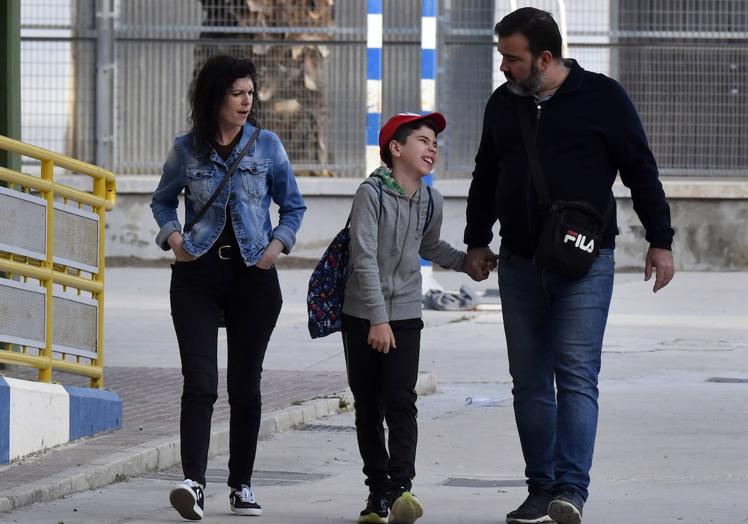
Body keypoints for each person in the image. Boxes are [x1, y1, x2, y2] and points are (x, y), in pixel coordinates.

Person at [463, 8, 675, 524]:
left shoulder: (602, 97)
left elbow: (639, 169)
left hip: (585, 262)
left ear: (545, 58)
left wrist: (660, 240)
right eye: (501, 58)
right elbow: (485, 174)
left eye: (512, 59)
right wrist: (475, 241)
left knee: (576, 375)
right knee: (529, 381)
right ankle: (540, 488)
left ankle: (570, 491)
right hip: (517, 262)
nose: (503, 69)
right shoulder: (502, 105)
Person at [150, 55, 305, 520]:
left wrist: (276, 246)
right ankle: (193, 484)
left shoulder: (267, 146)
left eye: (250, 93)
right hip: (196, 276)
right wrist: (174, 239)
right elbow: (161, 202)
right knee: (199, 383)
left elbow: (293, 206)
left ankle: (241, 485)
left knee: (245, 387)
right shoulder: (187, 149)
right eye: (237, 93)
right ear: (215, 98)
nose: (247, 101)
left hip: (253, 278)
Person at [342, 112, 479, 524]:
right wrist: (376, 320)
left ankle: (401, 490)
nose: (432, 147)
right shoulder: (371, 194)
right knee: (368, 405)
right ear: (396, 149)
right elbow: (362, 257)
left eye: (435, 142)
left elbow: (432, 246)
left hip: (405, 314)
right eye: (423, 140)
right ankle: (376, 491)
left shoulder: (430, 199)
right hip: (362, 314)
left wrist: (466, 263)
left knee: (401, 401)